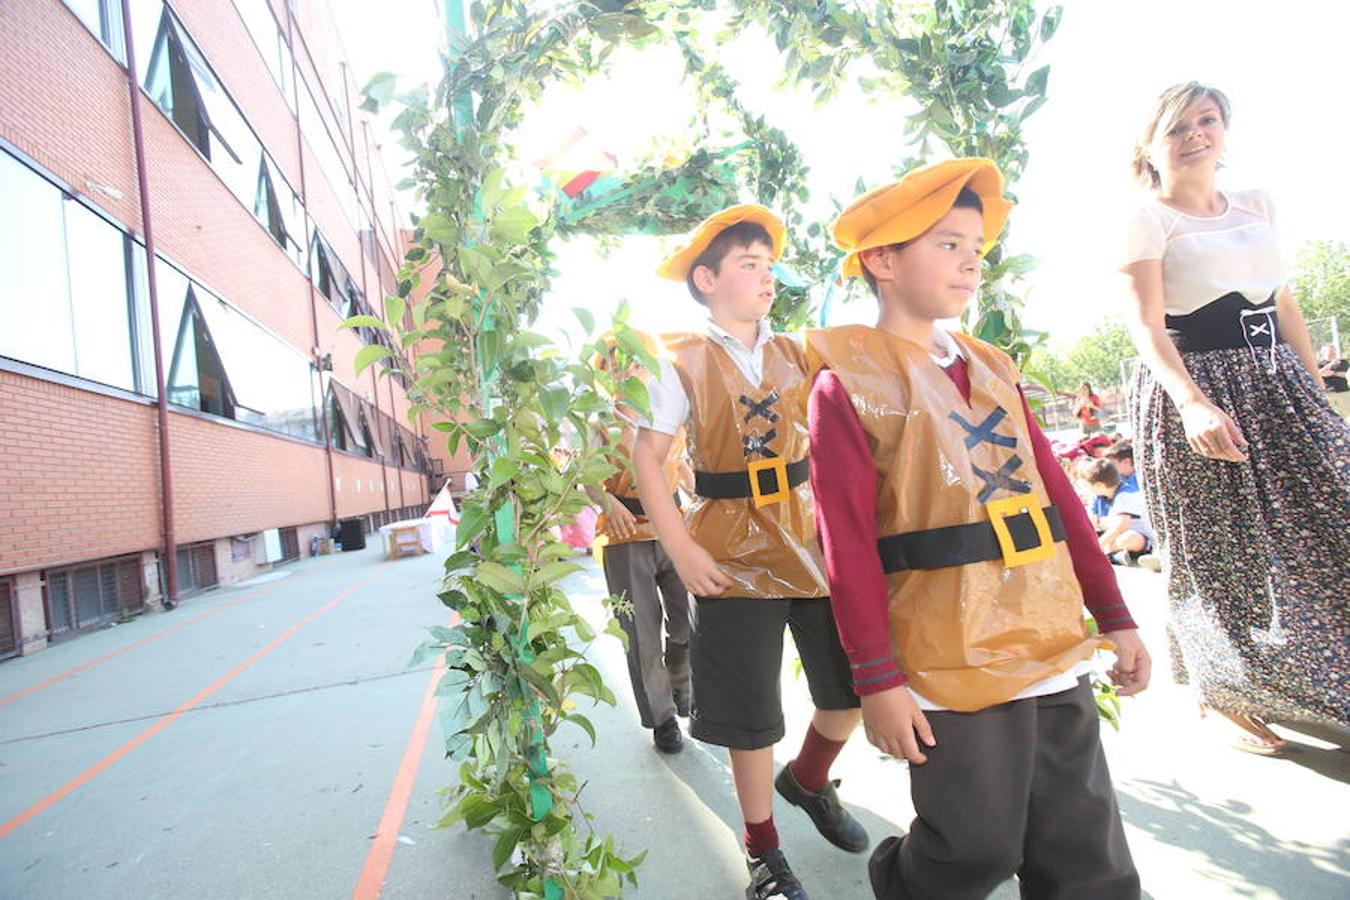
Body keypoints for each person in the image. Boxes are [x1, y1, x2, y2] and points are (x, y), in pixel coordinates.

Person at [808, 158, 1149, 900]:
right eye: (948, 244)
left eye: (977, 248)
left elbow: (1059, 501)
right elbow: (846, 546)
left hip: (1048, 636)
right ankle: (898, 884)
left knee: (1087, 851)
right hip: (943, 653)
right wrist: (876, 679)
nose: (970, 261)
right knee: (974, 847)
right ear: (883, 259)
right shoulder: (846, 383)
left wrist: (1114, 614)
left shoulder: (994, 367)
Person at [633, 205, 867, 900]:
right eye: (747, 265)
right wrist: (681, 547)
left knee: (850, 690)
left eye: (768, 265)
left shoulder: (801, 351)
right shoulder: (678, 359)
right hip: (727, 547)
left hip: (808, 536)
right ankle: (761, 848)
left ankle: (811, 779)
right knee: (751, 715)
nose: (765, 276)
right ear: (706, 280)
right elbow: (649, 457)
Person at [1120, 82, 1350, 750]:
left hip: (1278, 380)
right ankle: (1222, 691)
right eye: (1177, 126)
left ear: (1225, 130)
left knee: (1332, 513)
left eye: (1207, 120)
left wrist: (1317, 398)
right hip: (1198, 385)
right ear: (1149, 145)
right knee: (1219, 548)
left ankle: (1321, 673)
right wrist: (1192, 402)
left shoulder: (1257, 205)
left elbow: (1285, 303)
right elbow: (1145, 326)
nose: (1196, 135)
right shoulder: (1146, 218)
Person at [586, 335, 693, 754]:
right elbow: (583, 474)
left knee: (688, 621)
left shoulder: (668, 415)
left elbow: (682, 465)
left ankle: (682, 684)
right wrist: (605, 498)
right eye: (616, 363)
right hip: (626, 534)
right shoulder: (597, 421)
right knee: (642, 632)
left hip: (674, 528)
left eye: (634, 361)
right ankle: (663, 718)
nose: (626, 369)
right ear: (606, 372)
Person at [1082, 459, 1160, 571]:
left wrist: (1097, 545)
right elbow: (1092, 521)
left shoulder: (1126, 494)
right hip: (1112, 538)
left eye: (1087, 485)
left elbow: (1121, 526)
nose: (1087, 489)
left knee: (1127, 538)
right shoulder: (1098, 497)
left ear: (1099, 485)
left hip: (1140, 537)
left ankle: (1109, 555)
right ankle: (1116, 556)